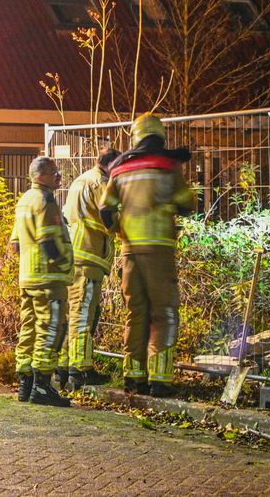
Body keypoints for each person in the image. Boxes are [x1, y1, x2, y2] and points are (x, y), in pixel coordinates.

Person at [103, 114, 194, 397]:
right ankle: (160, 380)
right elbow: (188, 204)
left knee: (136, 313)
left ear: (135, 137)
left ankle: (134, 377)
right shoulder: (168, 166)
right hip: (159, 251)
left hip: (129, 252)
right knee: (164, 313)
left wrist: (120, 231)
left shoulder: (119, 170)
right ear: (160, 136)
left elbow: (106, 210)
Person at [55, 146, 121, 392]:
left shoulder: (81, 179)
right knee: (84, 314)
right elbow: (109, 214)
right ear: (111, 165)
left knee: (72, 314)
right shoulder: (101, 182)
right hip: (89, 256)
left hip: (75, 255)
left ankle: (62, 368)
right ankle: (80, 370)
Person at [10, 156, 73, 407]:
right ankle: (42, 387)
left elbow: (15, 243)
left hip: (27, 277)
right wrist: (63, 263)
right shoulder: (46, 201)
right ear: (40, 176)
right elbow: (49, 241)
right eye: (54, 172)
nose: (59, 176)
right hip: (48, 278)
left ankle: (25, 384)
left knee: (29, 328)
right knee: (52, 329)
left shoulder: (24, 200)